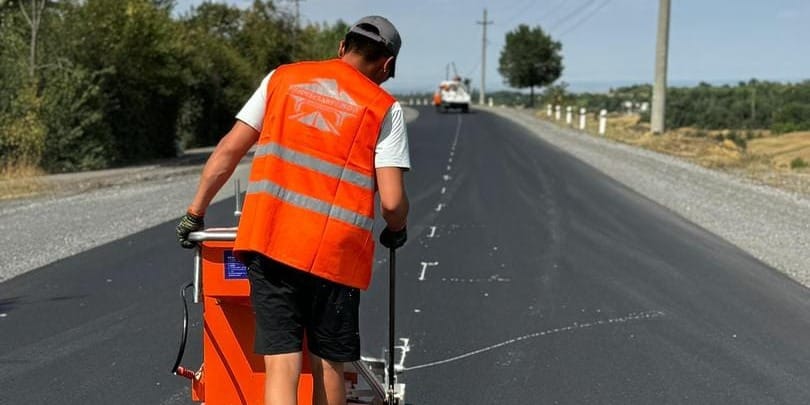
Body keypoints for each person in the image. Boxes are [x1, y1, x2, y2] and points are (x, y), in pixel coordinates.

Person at [176, 16, 410, 405]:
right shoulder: (384, 108)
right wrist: (397, 228)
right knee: (331, 362)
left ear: (341, 47)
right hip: (334, 255)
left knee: (281, 362)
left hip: (270, 242)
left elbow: (228, 151)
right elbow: (391, 201)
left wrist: (195, 212)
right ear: (386, 66)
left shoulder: (281, 79)